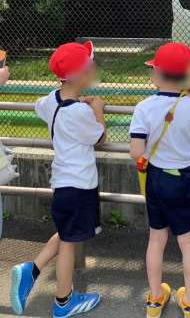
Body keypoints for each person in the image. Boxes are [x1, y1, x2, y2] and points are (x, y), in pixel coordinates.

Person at [10, 41, 107, 318]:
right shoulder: (79, 112)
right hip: (80, 185)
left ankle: (31, 270)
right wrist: (98, 109)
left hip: (62, 183)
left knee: (66, 232)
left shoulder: (50, 101)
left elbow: (40, 106)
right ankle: (63, 302)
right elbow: (100, 137)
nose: (94, 70)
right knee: (69, 242)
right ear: (80, 76)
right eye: (90, 66)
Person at [129, 42, 190, 318]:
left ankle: (154, 298)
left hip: (156, 178)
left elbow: (136, 151)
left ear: (157, 74)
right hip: (185, 179)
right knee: (188, 241)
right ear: (187, 77)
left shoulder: (144, 107)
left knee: (156, 239)